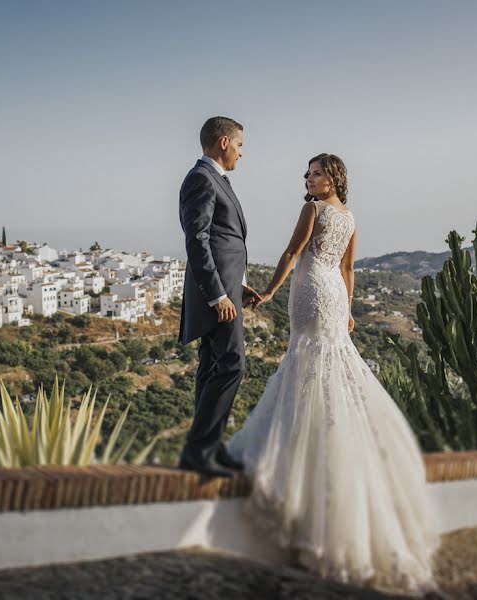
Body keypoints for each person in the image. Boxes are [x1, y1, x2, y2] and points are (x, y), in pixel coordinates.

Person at [227, 153, 440, 595]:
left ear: (334, 178)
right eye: (307, 174)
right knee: (328, 365)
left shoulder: (315, 210)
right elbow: (347, 268)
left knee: (305, 364)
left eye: (317, 173)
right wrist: (348, 311)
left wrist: (267, 291)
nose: (309, 179)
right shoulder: (350, 216)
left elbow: (292, 251)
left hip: (308, 292)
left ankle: (301, 451)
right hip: (334, 296)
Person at [177, 116, 261, 478]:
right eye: (240, 145)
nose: (243, 153)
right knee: (232, 364)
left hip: (226, 289)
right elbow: (196, 241)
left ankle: (206, 447)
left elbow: (223, 240)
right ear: (224, 142)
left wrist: (238, 284)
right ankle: (199, 448)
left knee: (213, 366)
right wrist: (217, 295)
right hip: (215, 295)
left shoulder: (214, 179)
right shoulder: (201, 178)